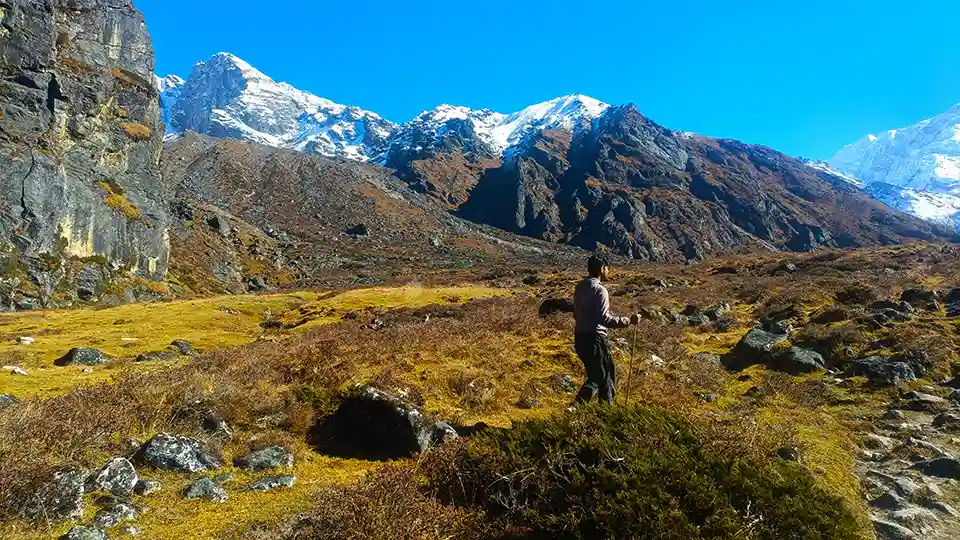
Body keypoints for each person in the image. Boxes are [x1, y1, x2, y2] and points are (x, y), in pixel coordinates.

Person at [572, 254, 641, 405]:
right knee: (604, 377)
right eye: (607, 268)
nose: (608, 271)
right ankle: (585, 408)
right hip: (594, 339)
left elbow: (576, 314)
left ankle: (589, 409)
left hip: (579, 337)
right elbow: (604, 319)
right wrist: (628, 320)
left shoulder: (580, 287)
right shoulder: (600, 290)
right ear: (602, 269)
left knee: (598, 375)